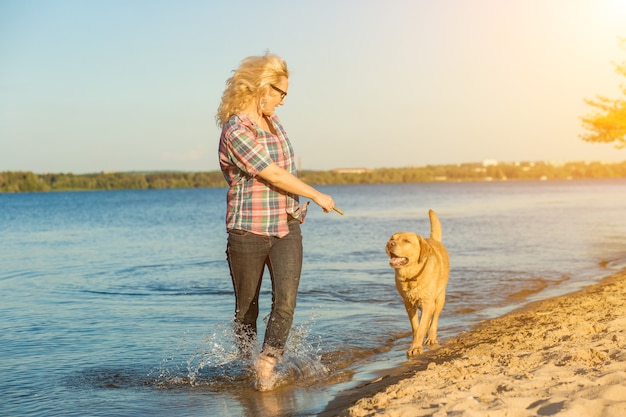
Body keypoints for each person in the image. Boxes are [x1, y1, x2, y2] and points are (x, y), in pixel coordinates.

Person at [216, 53, 336, 391]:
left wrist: (301, 201)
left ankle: (267, 362)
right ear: (260, 87)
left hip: (286, 225)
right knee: (246, 310)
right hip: (248, 231)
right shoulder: (236, 129)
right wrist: (315, 194)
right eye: (280, 93)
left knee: (285, 300)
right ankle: (244, 364)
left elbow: (284, 170)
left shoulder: (275, 123)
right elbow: (271, 172)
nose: (282, 101)